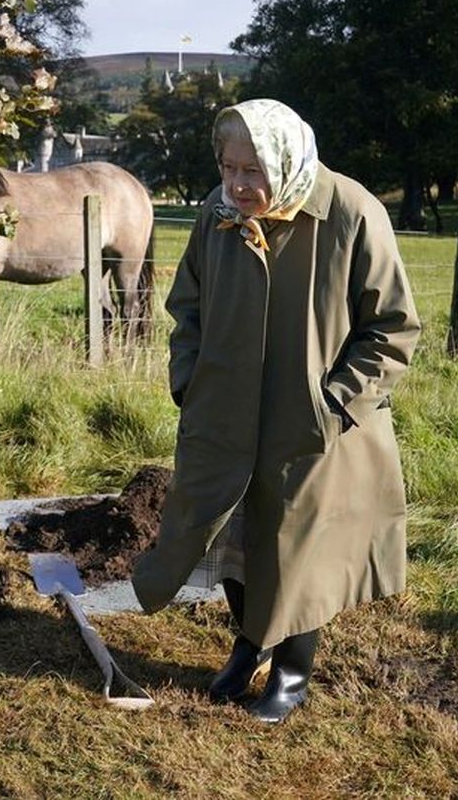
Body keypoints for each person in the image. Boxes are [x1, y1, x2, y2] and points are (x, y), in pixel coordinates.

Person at [131, 99, 421, 724]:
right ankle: (250, 644)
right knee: (231, 536)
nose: (236, 185)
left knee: (297, 549)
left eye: (251, 171)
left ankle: (292, 672)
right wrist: (189, 379)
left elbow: (393, 329)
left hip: (313, 429)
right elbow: (189, 308)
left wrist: (333, 404)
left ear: (285, 160)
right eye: (227, 166)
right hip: (225, 416)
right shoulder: (218, 213)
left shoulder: (350, 212)